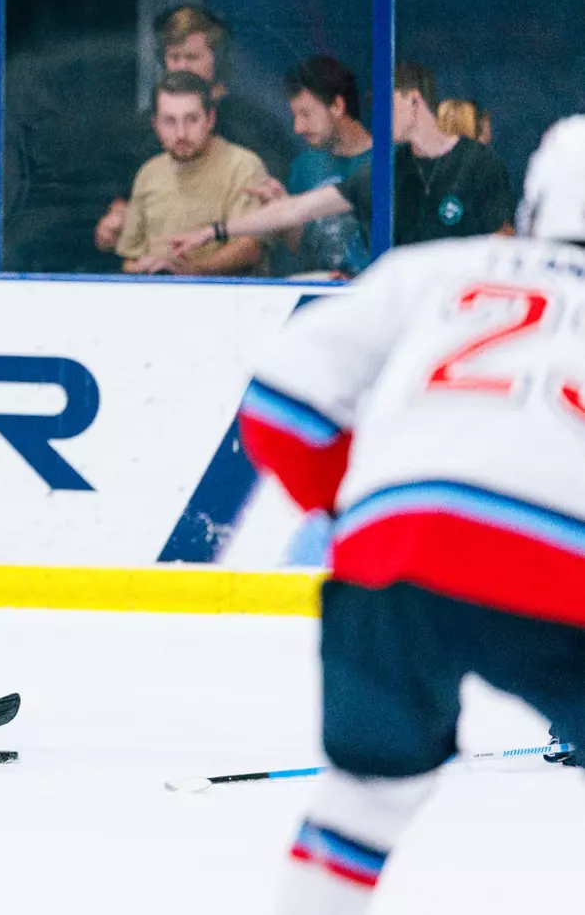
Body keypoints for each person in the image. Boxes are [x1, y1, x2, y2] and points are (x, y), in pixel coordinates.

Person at [238, 115, 585, 914]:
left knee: (366, 798)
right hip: (563, 569)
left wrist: (355, 512)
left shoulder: (438, 268)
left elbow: (281, 402)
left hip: (398, 554)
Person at [162, 63, 514, 260]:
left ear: (413, 101)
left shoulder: (477, 164)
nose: (378, 117)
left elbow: (504, 243)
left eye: (386, 107)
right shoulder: (387, 169)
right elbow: (298, 209)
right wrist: (214, 231)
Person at [93, 5, 295, 257]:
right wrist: (114, 220)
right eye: (174, 58)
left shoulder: (254, 125)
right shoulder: (142, 127)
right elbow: (123, 197)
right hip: (156, 272)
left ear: (217, 60)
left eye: (192, 57)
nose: (182, 67)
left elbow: (271, 212)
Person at [113, 71, 266, 275]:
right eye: (169, 121)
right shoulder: (148, 172)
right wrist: (143, 268)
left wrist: (191, 272)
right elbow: (128, 259)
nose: (181, 134)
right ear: (155, 124)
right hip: (157, 299)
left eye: (191, 119)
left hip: (228, 301)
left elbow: (251, 247)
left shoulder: (243, 165)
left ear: (210, 119)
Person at [277, 56, 373, 276]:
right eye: (294, 116)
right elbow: (302, 249)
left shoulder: (390, 161)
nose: (297, 127)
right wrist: (281, 209)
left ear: (337, 106)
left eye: (306, 114)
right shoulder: (304, 166)